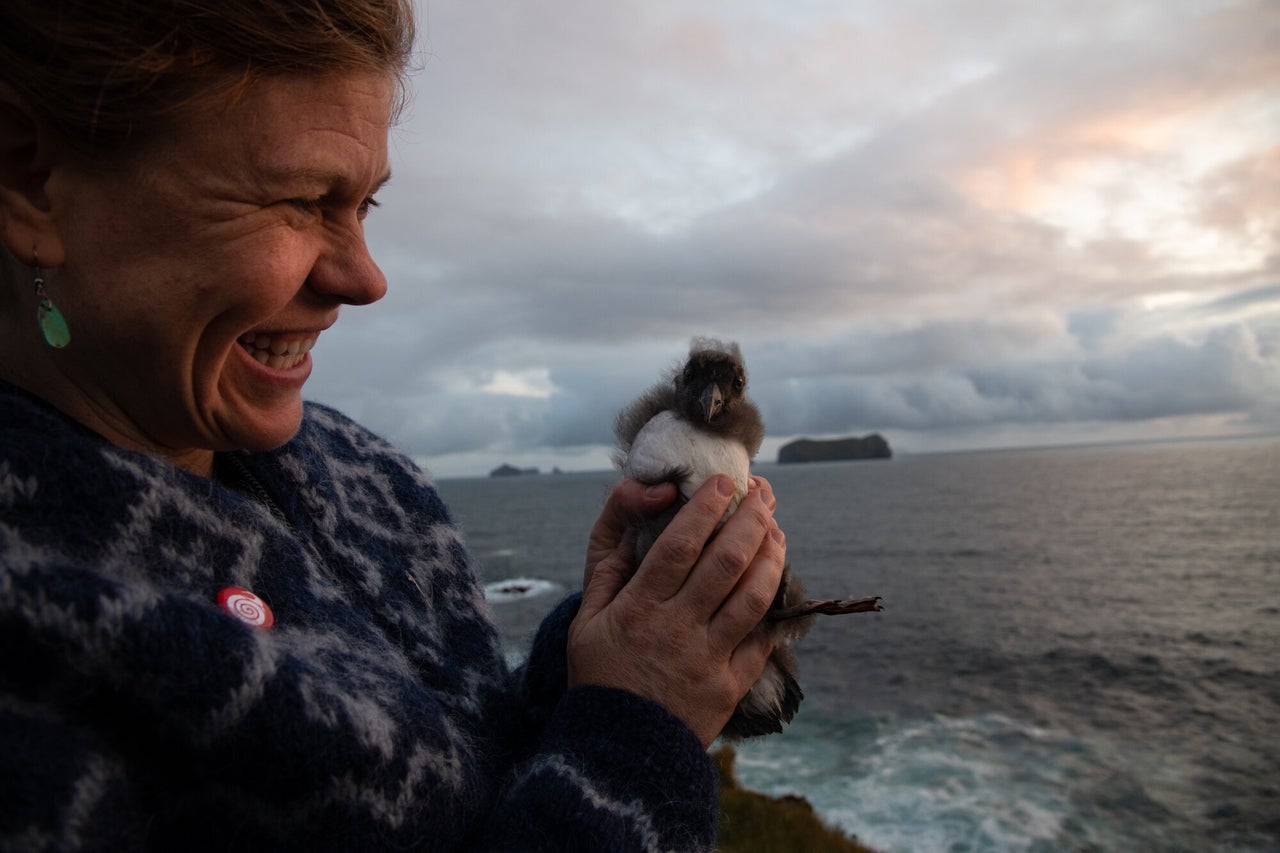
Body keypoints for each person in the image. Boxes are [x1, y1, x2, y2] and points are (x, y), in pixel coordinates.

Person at [0, 1, 787, 850]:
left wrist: (601, 654)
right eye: (301, 201)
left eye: (365, 205)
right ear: (33, 180)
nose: (366, 279)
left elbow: (472, 763)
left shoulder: (367, 474)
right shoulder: (33, 635)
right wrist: (637, 730)